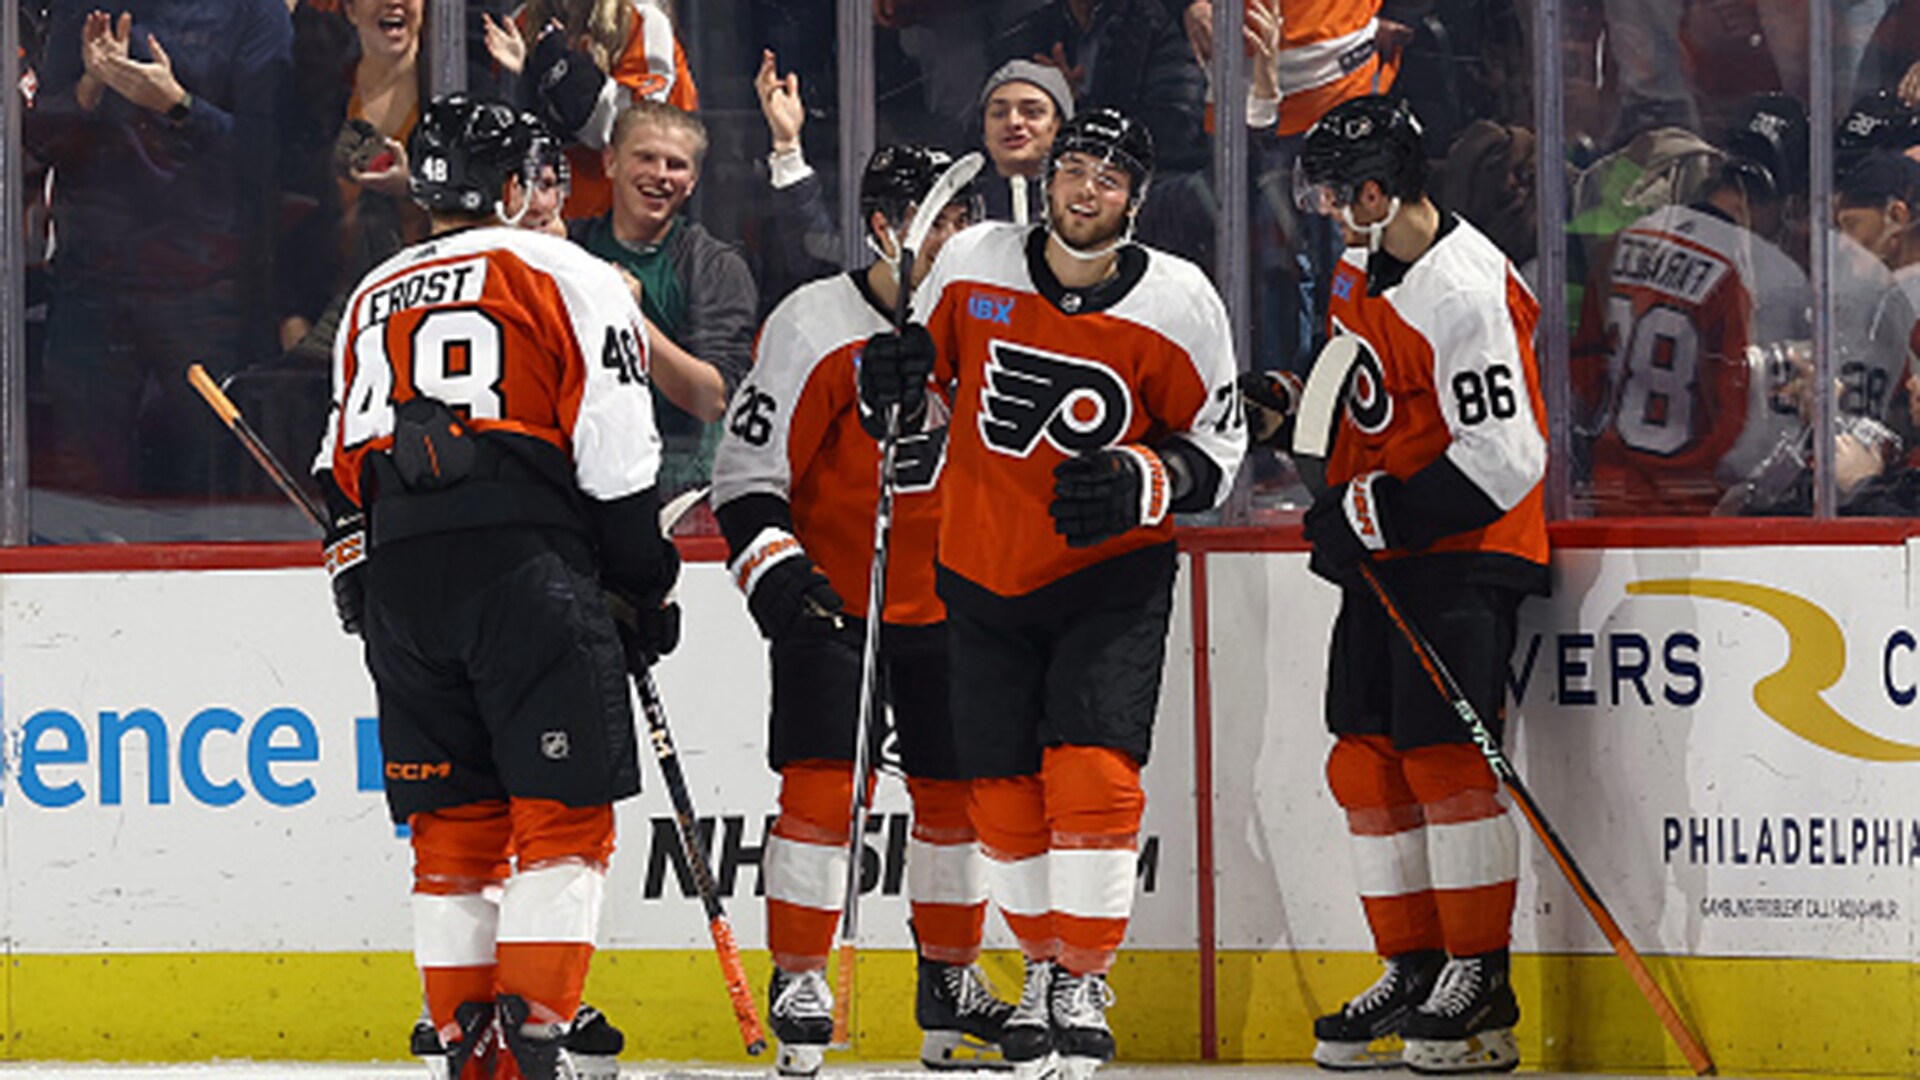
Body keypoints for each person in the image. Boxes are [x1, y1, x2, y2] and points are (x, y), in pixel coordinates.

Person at [860, 107, 1246, 1078]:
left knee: (1093, 776)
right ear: (1051, 175)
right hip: (981, 565)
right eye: (1076, 168)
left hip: (1108, 577)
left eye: (1109, 178)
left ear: (1137, 199)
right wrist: (891, 382)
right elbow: (923, 394)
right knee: (1002, 794)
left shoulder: (1181, 302)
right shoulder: (974, 261)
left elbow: (1218, 449)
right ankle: (1040, 970)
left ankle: (1083, 978)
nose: (1086, 190)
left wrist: (1145, 478)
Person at [313, 93, 680, 1080]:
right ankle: (536, 1039)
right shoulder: (568, 271)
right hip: (526, 574)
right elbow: (617, 456)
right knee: (562, 817)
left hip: (403, 588)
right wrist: (640, 586)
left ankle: (467, 1052)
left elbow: (339, 475)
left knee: (452, 826)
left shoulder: (373, 292)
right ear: (514, 186)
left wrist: (363, 579)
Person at [711, 143, 1016, 1077]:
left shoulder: (990, 321)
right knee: (821, 793)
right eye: (937, 219)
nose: (956, 236)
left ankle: (950, 984)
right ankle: (802, 977)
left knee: (956, 802)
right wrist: (781, 580)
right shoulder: (813, 322)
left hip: (954, 604)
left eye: (963, 219)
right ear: (885, 227)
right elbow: (745, 476)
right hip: (838, 605)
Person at [1281, 94, 1545, 1073]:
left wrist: (1371, 513)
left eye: (1331, 192)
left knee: (1444, 765)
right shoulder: (1361, 264)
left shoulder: (1466, 290)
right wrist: (1290, 415)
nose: (1320, 208)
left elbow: (1506, 457)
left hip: (1467, 547)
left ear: (1378, 192)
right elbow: (1364, 392)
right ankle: (1414, 968)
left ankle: (1481, 982)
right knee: (1364, 764)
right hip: (1389, 547)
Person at [26, 0, 290, 507]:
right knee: (83, 493)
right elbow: (39, 141)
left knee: (203, 487)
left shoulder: (254, 11)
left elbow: (269, 153)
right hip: (89, 287)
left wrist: (177, 105)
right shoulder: (81, 8)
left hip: (204, 292)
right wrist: (91, 86)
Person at [1571, 93, 1816, 516]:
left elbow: (1584, 382)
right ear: (1775, 196)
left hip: (1610, 499)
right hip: (1696, 512)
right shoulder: (1764, 274)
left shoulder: (1622, 243)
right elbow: (1748, 431)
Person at [569, 101, 756, 496]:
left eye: (676, 165)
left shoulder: (715, 266)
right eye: (645, 157)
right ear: (610, 162)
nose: (660, 175)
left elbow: (713, 399)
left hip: (681, 486)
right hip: (581, 473)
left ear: (693, 181)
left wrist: (629, 317)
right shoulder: (569, 251)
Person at [481, 0, 697, 219]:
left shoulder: (642, 20)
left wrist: (566, 72)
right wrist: (526, 77)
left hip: (615, 215)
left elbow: (631, 132)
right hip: (540, 212)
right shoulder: (523, 21)